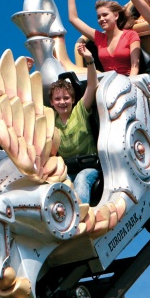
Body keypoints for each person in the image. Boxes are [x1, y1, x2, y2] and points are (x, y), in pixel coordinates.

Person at [65, 0, 140, 76]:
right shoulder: (100, 39)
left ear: (116, 15)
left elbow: (135, 65)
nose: (101, 19)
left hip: (129, 80)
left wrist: (131, 83)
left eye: (105, 15)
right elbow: (73, 19)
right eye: (98, 17)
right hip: (108, 81)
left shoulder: (131, 35)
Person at [50, 42, 99, 204]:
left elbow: (92, 85)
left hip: (89, 167)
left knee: (82, 178)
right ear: (52, 102)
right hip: (67, 170)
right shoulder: (51, 120)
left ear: (72, 99)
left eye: (66, 98)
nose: (62, 102)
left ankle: (81, 213)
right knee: (57, 185)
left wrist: (89, 60)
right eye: (57, 99)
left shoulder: (80, 110)